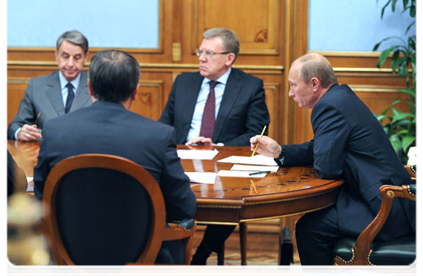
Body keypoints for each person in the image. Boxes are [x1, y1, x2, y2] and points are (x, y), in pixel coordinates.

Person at [250, 53, 420, 272]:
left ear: (314, 84)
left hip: (384, 210)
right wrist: (280, 152)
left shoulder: (328, 107)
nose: (291, 93)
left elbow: (327, 168)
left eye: (293, 85)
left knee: (309, 229)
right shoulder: (340, 97)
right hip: (391, 201)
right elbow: (319, 147)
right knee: (313, 221)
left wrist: (320, 156)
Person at [33, 50, 196, 264]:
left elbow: (42, 196)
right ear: (136, 91)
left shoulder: (55, 130)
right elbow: (184, 207)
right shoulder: (158, 136)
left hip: (69, 258)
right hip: (143, 263)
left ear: (89, 87)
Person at [159, 28, 270, 265]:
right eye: (201, 51)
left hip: (223, 167)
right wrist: (181, 144)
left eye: (209, 53)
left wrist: (218, 145)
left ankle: (200, 256)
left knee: (229, 204)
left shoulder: (250, 86)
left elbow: (257, 133)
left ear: (229, 58)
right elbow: (164, 125)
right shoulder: (184, 82)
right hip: (179, 161)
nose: (201, 58)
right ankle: (169, 255)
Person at [6, 30, 92, 141]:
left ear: (86, 57)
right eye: (65, 56)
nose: (70, 64)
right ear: (56, 55)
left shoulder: (96, 86)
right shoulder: (36, 86)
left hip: (83, 154)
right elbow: (14, 127)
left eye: (76, 58)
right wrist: (20, 132)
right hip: (43, 154)